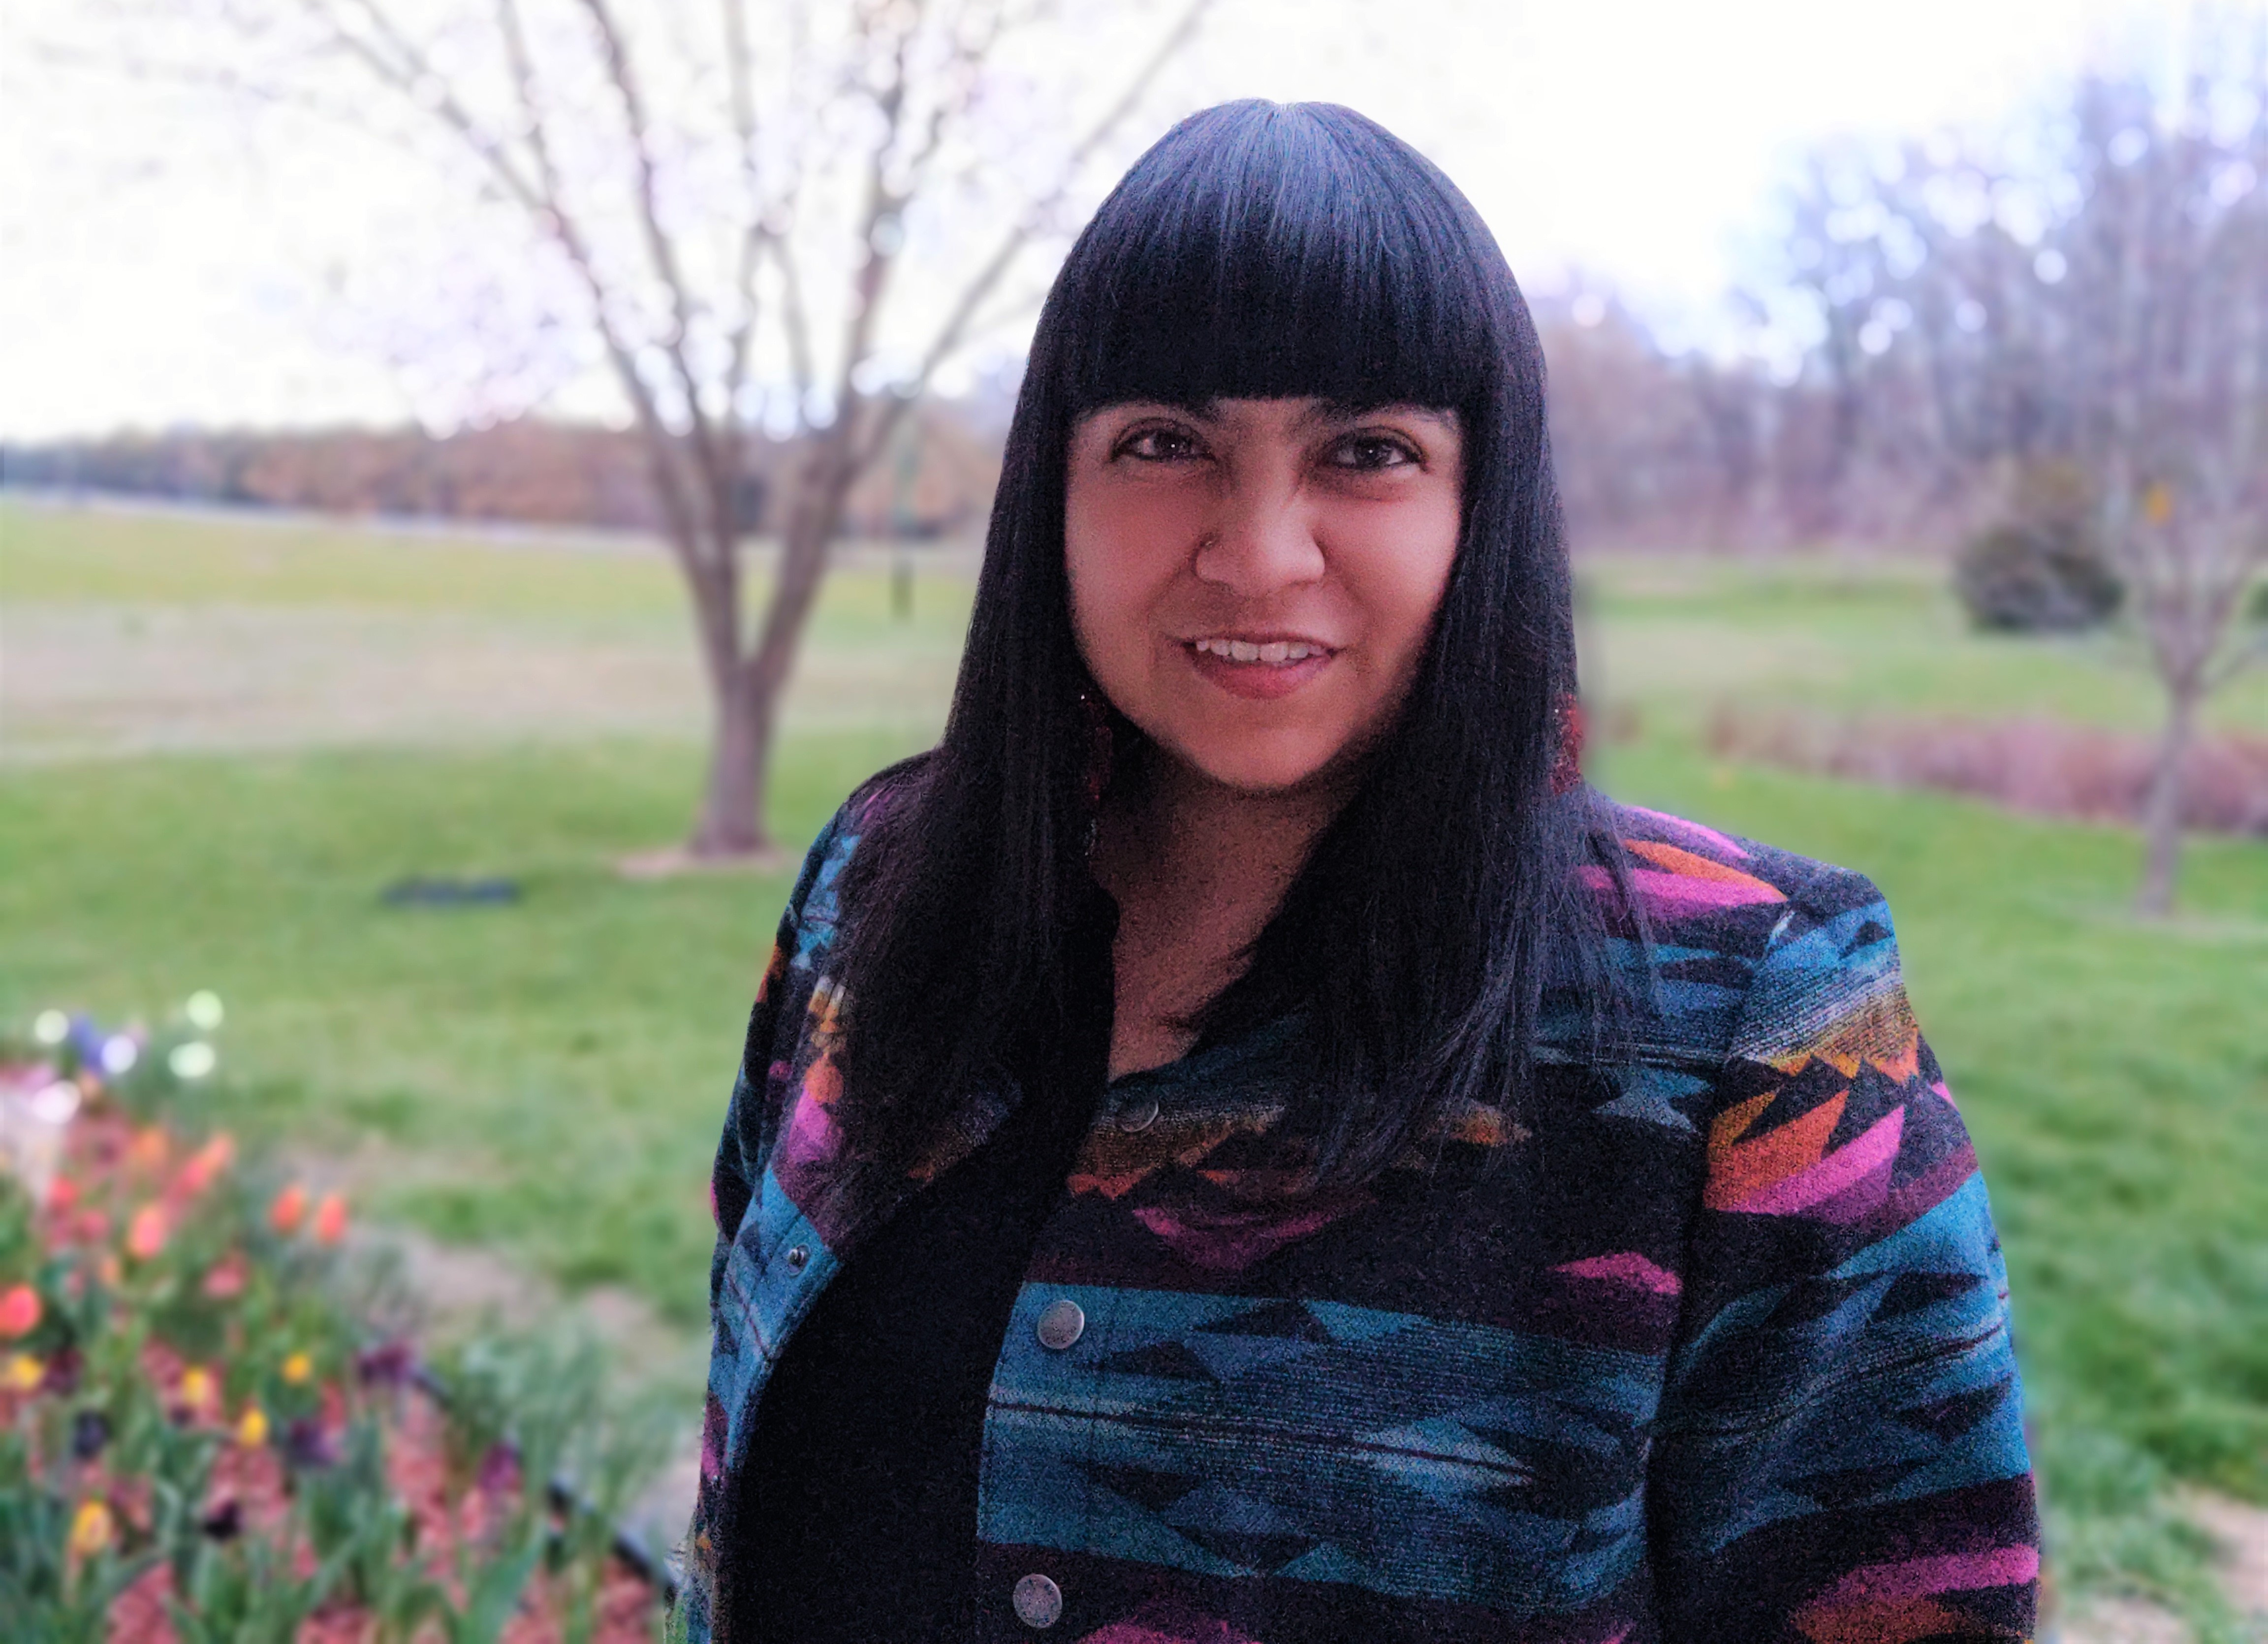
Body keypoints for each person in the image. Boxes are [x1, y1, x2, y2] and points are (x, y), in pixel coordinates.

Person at [677, 100, 2040, 1644]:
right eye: (1163, 443)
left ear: (1484, 504)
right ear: (1052, 490)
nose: (1259, 552)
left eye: (1369, 453)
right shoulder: (878, 886)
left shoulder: (1755, 1025)